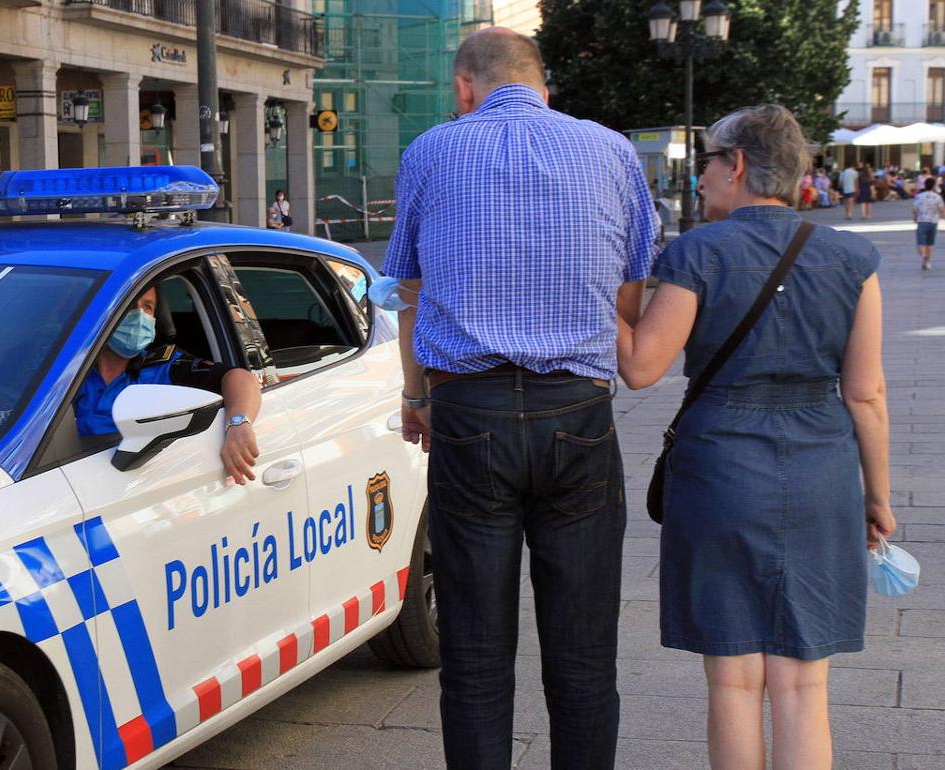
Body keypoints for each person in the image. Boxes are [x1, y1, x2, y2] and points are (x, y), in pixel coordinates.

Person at [382, 27, 657, 770]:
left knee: (473, 656)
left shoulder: (433, 151)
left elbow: (407, 285)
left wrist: (416, 395)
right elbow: (630, 289)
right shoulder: (610, 150)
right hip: (579, 413)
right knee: (584, 656)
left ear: (465, 87)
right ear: (544, 85)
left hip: (469, 416)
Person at [616, 105, 897, 770]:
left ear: (737, 164)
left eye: (709, 161)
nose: (703, 176)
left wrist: (600, 293)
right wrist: (877, 497)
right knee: (804, 684)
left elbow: (641, 367)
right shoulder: (853, 258)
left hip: (719, 472)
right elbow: (866, 393)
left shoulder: (698, 252)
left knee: (735, 681)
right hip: (822, 472)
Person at [75, 286, 263, 484]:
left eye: (147, 307)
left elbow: (240, 378)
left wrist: (239, 424)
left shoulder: (166, 367)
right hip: (68, 477)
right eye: (130, 305)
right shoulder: (67, 371)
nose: (139, 316)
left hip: (136, 479)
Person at [912, 176, 945, 270]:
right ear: (934, 186)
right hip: (933, 222)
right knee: (930, 243)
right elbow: (942, 210)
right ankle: (928, 261)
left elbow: (914, 209)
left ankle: (923, 256)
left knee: (921, 242)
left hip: (922, 221)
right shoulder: (937, 197)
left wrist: (915, 217)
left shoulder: (919, 196)